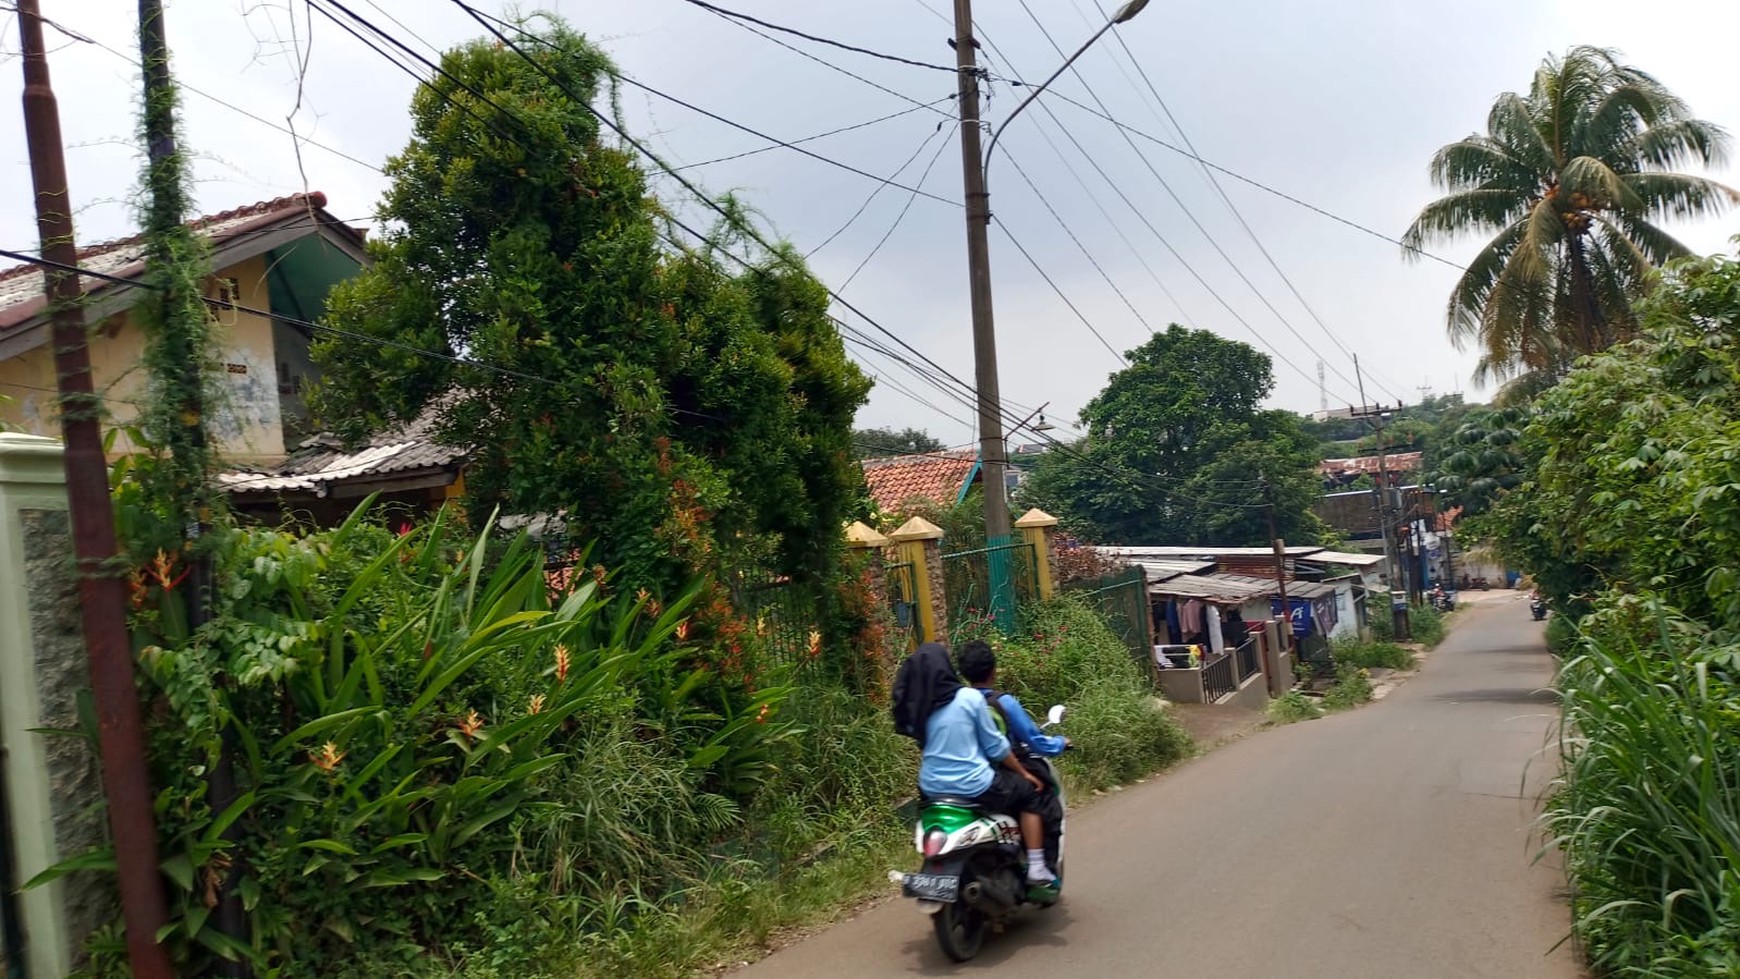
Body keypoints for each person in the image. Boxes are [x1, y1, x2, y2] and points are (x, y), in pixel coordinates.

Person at [898, 643, 1058, 894]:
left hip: (930, 789)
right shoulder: (968, 698)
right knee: (1029, 793)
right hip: (974, 784)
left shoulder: (919, 708)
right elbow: (996, 747)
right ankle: (1037, 865)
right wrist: (1025, 773)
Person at [955, 641, 1065, 887]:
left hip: (964, 773)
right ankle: (1037, 865)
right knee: (1037, 795)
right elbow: (1033, 740)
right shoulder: (1002, 702)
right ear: (994, 671)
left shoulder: (956, 702)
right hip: (1000, 773)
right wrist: (1059, 743)